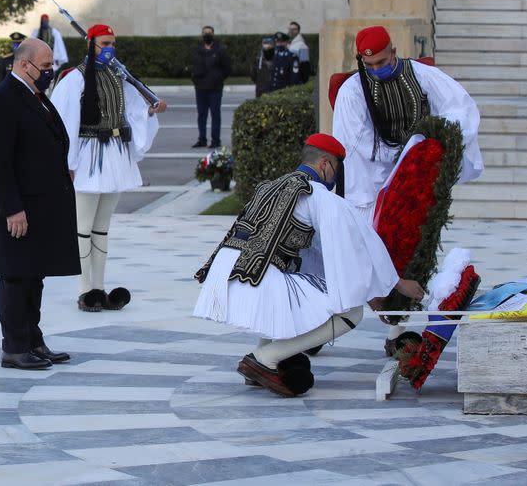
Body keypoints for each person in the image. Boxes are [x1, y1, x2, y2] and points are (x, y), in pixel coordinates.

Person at [193, 133, 425, 397]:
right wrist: (392, 284)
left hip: (226, 275)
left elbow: (314, 252)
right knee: (350, 312)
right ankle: (265, 359)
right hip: (258, 276)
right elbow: (354, 246)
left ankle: (265, 365)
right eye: (336, 169)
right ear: (325, 164)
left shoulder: (273, 185)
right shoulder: (317, 195)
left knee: (288, 299)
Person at [51, 23, 166, 312]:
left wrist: (149, 111)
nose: (110, 48)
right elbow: (64, 122)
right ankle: (84, 290)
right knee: (83, 227)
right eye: (104, 43)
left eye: (112, 43)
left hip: (114, 156)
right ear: (91, 44)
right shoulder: (73, 79)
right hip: (88, 158)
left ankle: (99, 288)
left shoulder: (118, 76)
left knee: (102, 228)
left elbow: (131, 112)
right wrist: (69, 162)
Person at [0, 38, 78, 370]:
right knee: (15, 276)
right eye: (46, 66)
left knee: (34, 275)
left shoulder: (34, 96)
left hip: (40, 204)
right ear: (24, 65)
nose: (50, 72)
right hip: (18, 207)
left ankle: (33, 340)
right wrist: (12, 209)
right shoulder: (1, 100)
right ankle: (14, 346)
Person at [332, 25, 483, 223]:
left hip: (419, 170)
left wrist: (428, 145)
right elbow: (357, 143)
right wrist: (401, 158)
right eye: (370, 65)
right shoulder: (352, 91)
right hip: (373, 181)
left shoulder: (423, 75)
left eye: (381, 62)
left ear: (393, 52)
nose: (376, 70)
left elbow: (460, 109)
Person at [191, 25, 231, 148]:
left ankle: (215, 140)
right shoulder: (197, 50)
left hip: (215, 88)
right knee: (201, 115)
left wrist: (218, 79)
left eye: (209, 33)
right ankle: (202, 139)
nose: (207, 35)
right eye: (205, 33)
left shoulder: (220, 50)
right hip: (201, 88)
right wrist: (196, 80)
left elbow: (227, 68)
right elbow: (193, 67)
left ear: (213, 35)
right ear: (202, 35)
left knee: (215, 114)